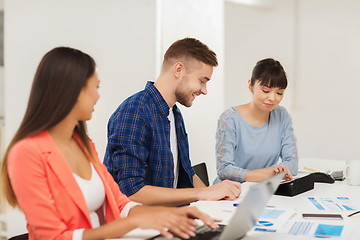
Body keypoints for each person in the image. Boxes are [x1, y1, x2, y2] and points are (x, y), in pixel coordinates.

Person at [0, 47, 219, 240]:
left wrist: (171, 214)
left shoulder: (84, 144)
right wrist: (136, 223)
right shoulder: (26, 153)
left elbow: (121, 204)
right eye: (94, 87)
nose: (97, 97)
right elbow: (53, 237)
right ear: (70, 91)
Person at [104, 38, 241, 207]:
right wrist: (204, 193)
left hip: (171, 219)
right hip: (141, 228)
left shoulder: (174, 113)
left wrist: (217, 199)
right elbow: (132, 192)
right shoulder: (134, 111)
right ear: (178, 70)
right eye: (202, 81)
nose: (204, 91)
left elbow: (187, 171)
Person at [214, 58, 298, 184]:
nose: (272, 98)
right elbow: (224, 170)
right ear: (250, 85)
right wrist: (267, 174)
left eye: (279, 93)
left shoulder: (282, 116)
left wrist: (276, 171)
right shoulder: (230, 118)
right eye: (266, 91)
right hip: (230, 192)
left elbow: (292, 162)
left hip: (263, 189)